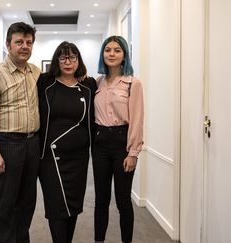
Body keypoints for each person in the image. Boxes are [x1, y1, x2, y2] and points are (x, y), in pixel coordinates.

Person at [0, 22, 40, 243]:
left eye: (29, 42)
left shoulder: (35, 72)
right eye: (19, 42)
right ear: (8, 44)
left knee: (28, 201)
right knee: (6, 202)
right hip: (8, 144)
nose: (24, 46)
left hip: (33, 144)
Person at [37, 41, 97, 243]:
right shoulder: (45, 82)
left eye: (72, 57)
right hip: (50, 158)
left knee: (73, 205)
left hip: (79, 159)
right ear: (57, 61)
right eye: (62, 57)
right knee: (56, 206)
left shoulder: (88, 85)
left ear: (78, 60)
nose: (68, 62)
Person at [92, 36, 144, 243]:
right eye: (107, 50)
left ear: (124, 55)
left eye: (117, 50)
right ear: (102, 54)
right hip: (100, 143)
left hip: (122, 143)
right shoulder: (98, 82)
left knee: (123, 200)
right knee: (100, 200)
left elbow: (138, 120)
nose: (111, 54)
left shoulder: (133, 83)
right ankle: (99, 240)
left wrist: (133, 152)